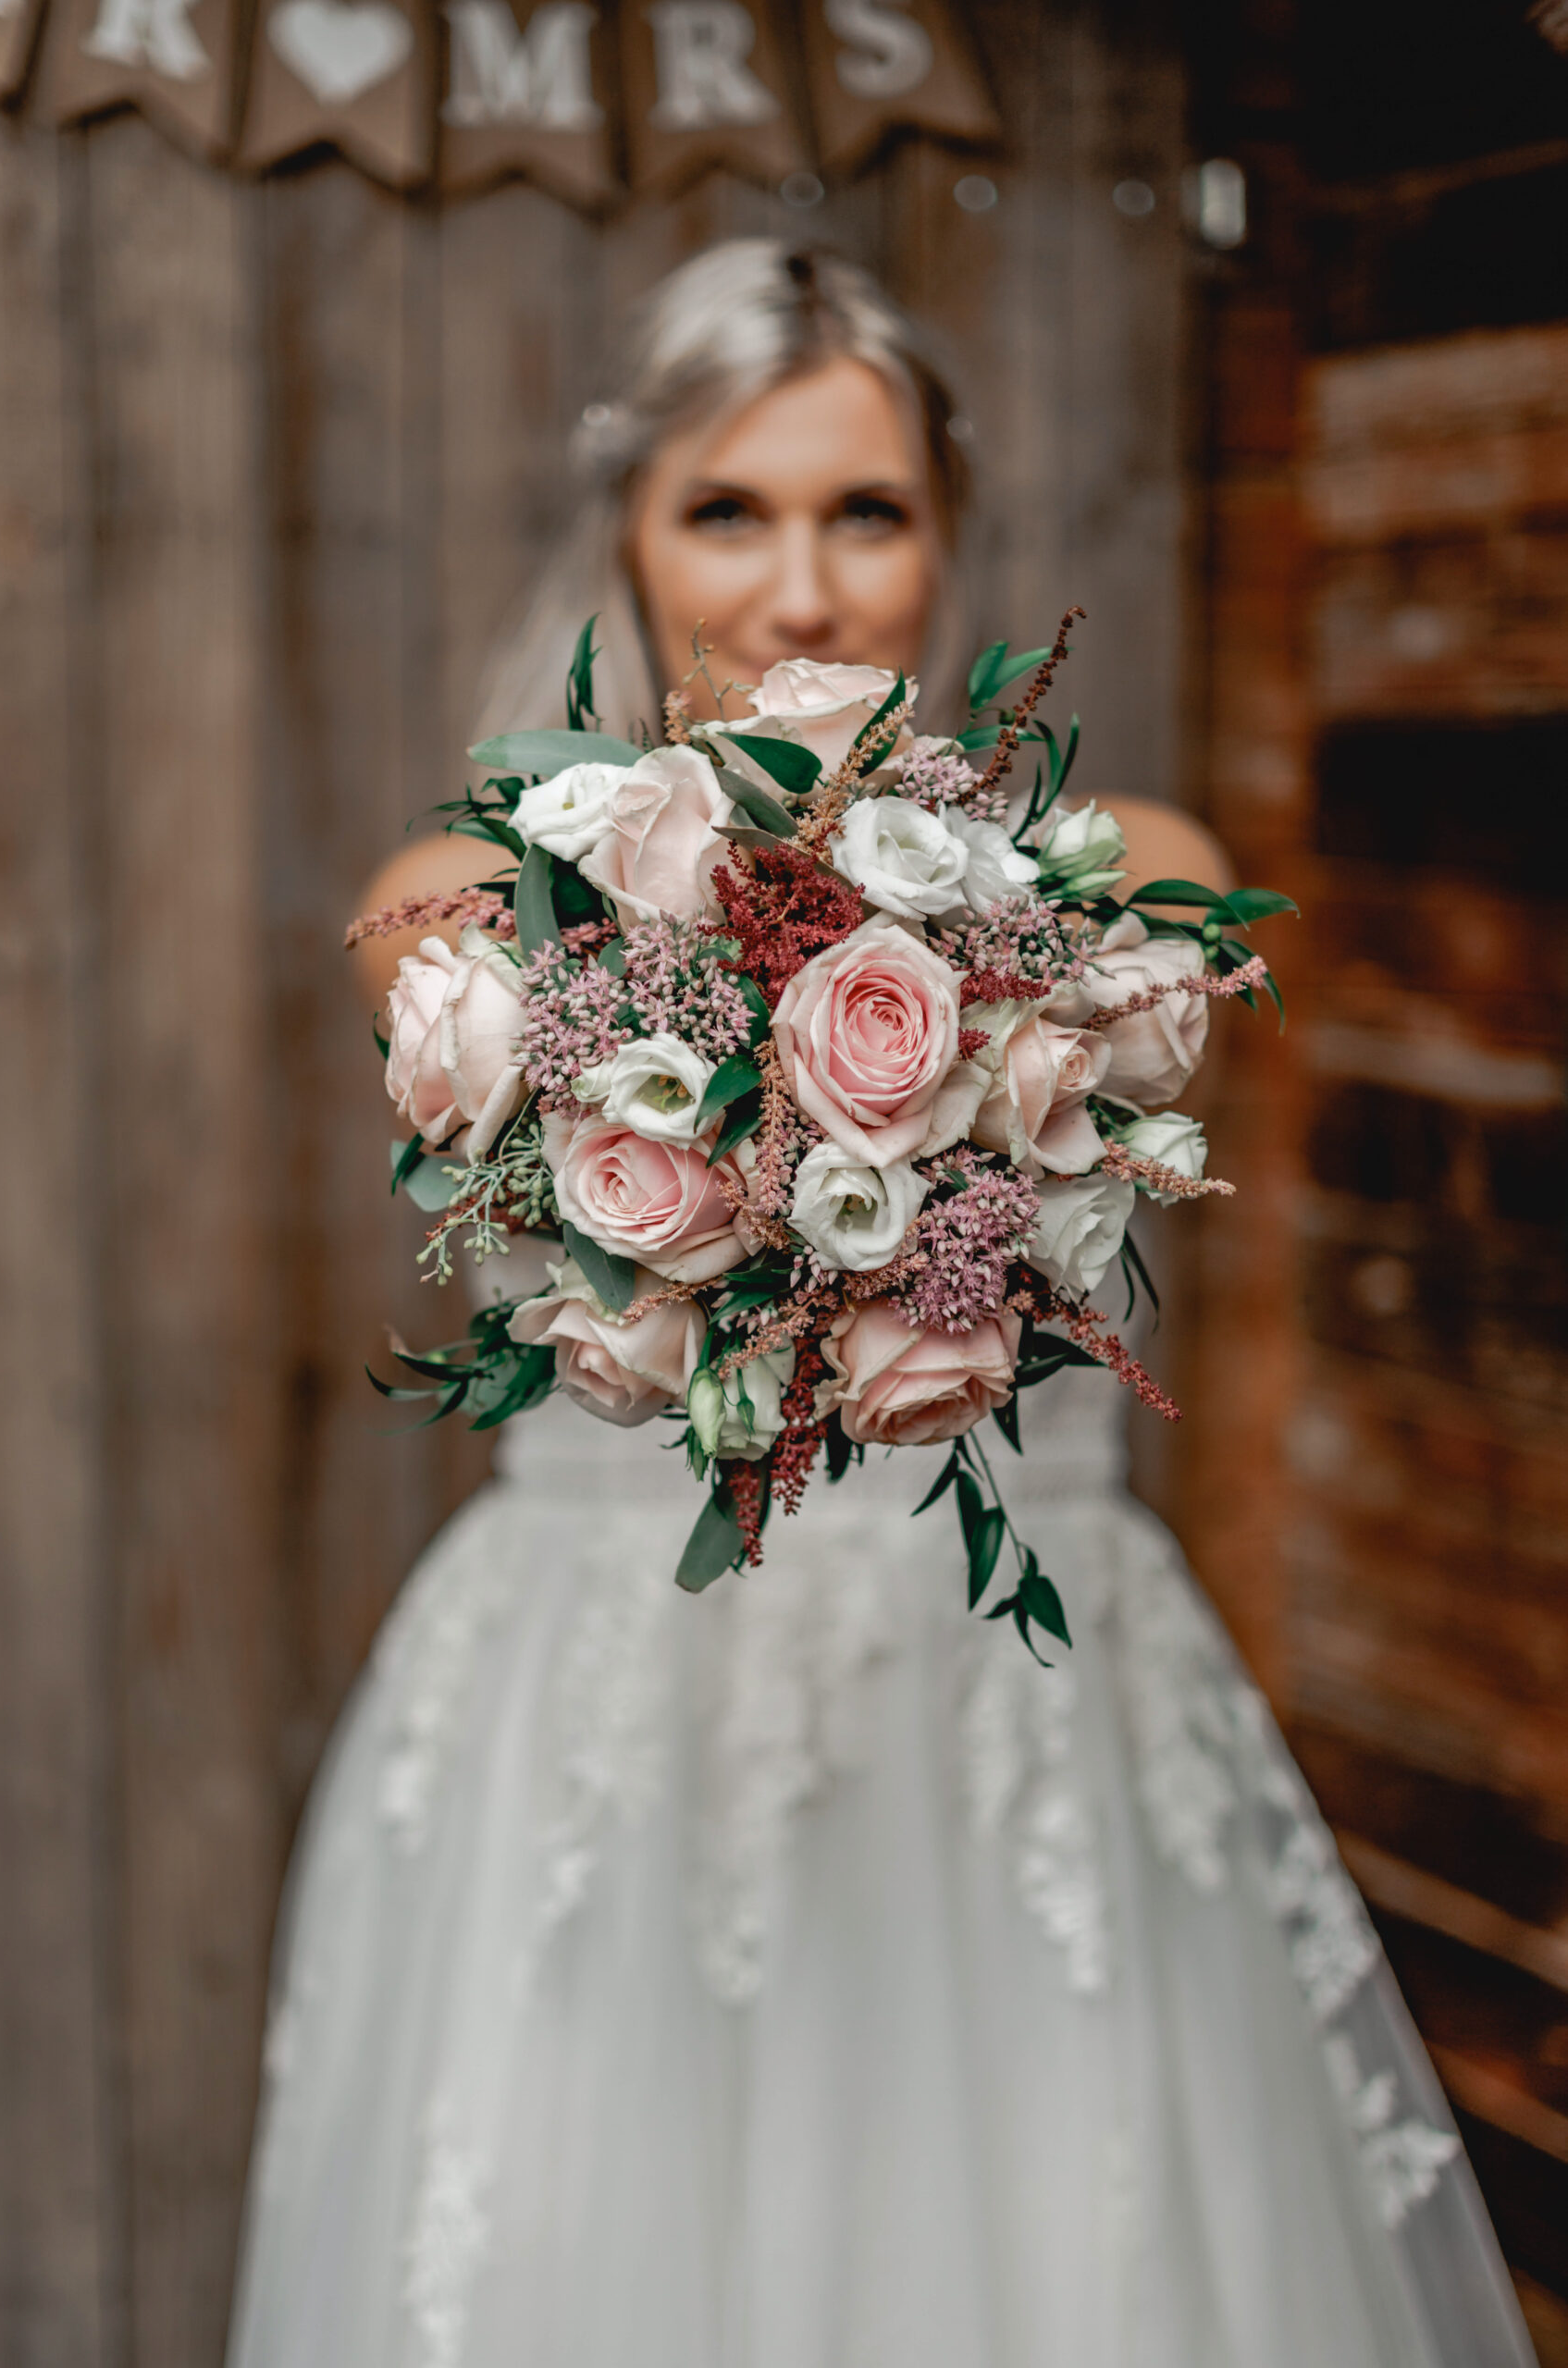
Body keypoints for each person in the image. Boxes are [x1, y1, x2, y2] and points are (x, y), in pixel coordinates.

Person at [228, 242, 1535, 2368]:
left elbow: (1158, 955)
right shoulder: (446, 897)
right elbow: (476, 963)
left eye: (865, 513)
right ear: (629, 537)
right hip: (609, 1708)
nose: (799, 591)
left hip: (1005, 1702)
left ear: (946, 538)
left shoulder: (1115, 861)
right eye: (725, 510)